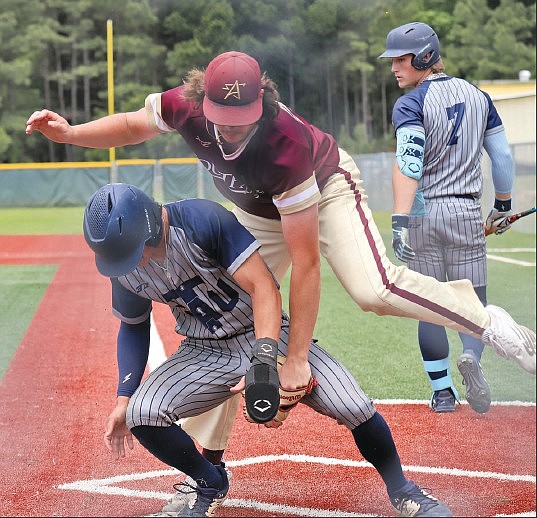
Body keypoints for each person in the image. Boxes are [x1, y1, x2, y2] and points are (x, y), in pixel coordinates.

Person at [26, 50, 535, 510]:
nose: (230, 132)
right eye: (221, 122)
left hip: (323, 189)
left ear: (262, 104)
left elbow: (306, 262)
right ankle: (211, 466)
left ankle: (483, 318)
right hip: (260, 209)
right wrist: (71, 134)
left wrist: (292, 362)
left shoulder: (285, 144)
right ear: (201, 100)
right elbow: (134, 125)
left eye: (241, 122)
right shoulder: (185, 104)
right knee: (228, 311)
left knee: (372, 289)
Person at [83, 182, 453, 517]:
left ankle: (404, 491)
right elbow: (133, 326)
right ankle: (209, 482)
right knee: (142, 412)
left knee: (353, 406)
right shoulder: (125, 267)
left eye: (135, 251)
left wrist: (264, 361)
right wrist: (122, 396)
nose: (135, 262)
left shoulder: (200, 221)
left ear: (148, 224)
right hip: (203, 350)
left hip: (267, 333)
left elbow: (264, 288)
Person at [378, 22, 518, 414]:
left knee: (430, 306)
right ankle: (471, 357)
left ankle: (442, 392)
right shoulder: (479, 96)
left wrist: (400, 220)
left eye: (400, 59)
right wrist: (503, 204)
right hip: (465, 211)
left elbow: (409, 163)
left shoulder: (410, 104)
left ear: (423, 56)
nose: (393, 68)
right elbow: (503, 158)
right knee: (475, 303)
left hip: (423, 213)